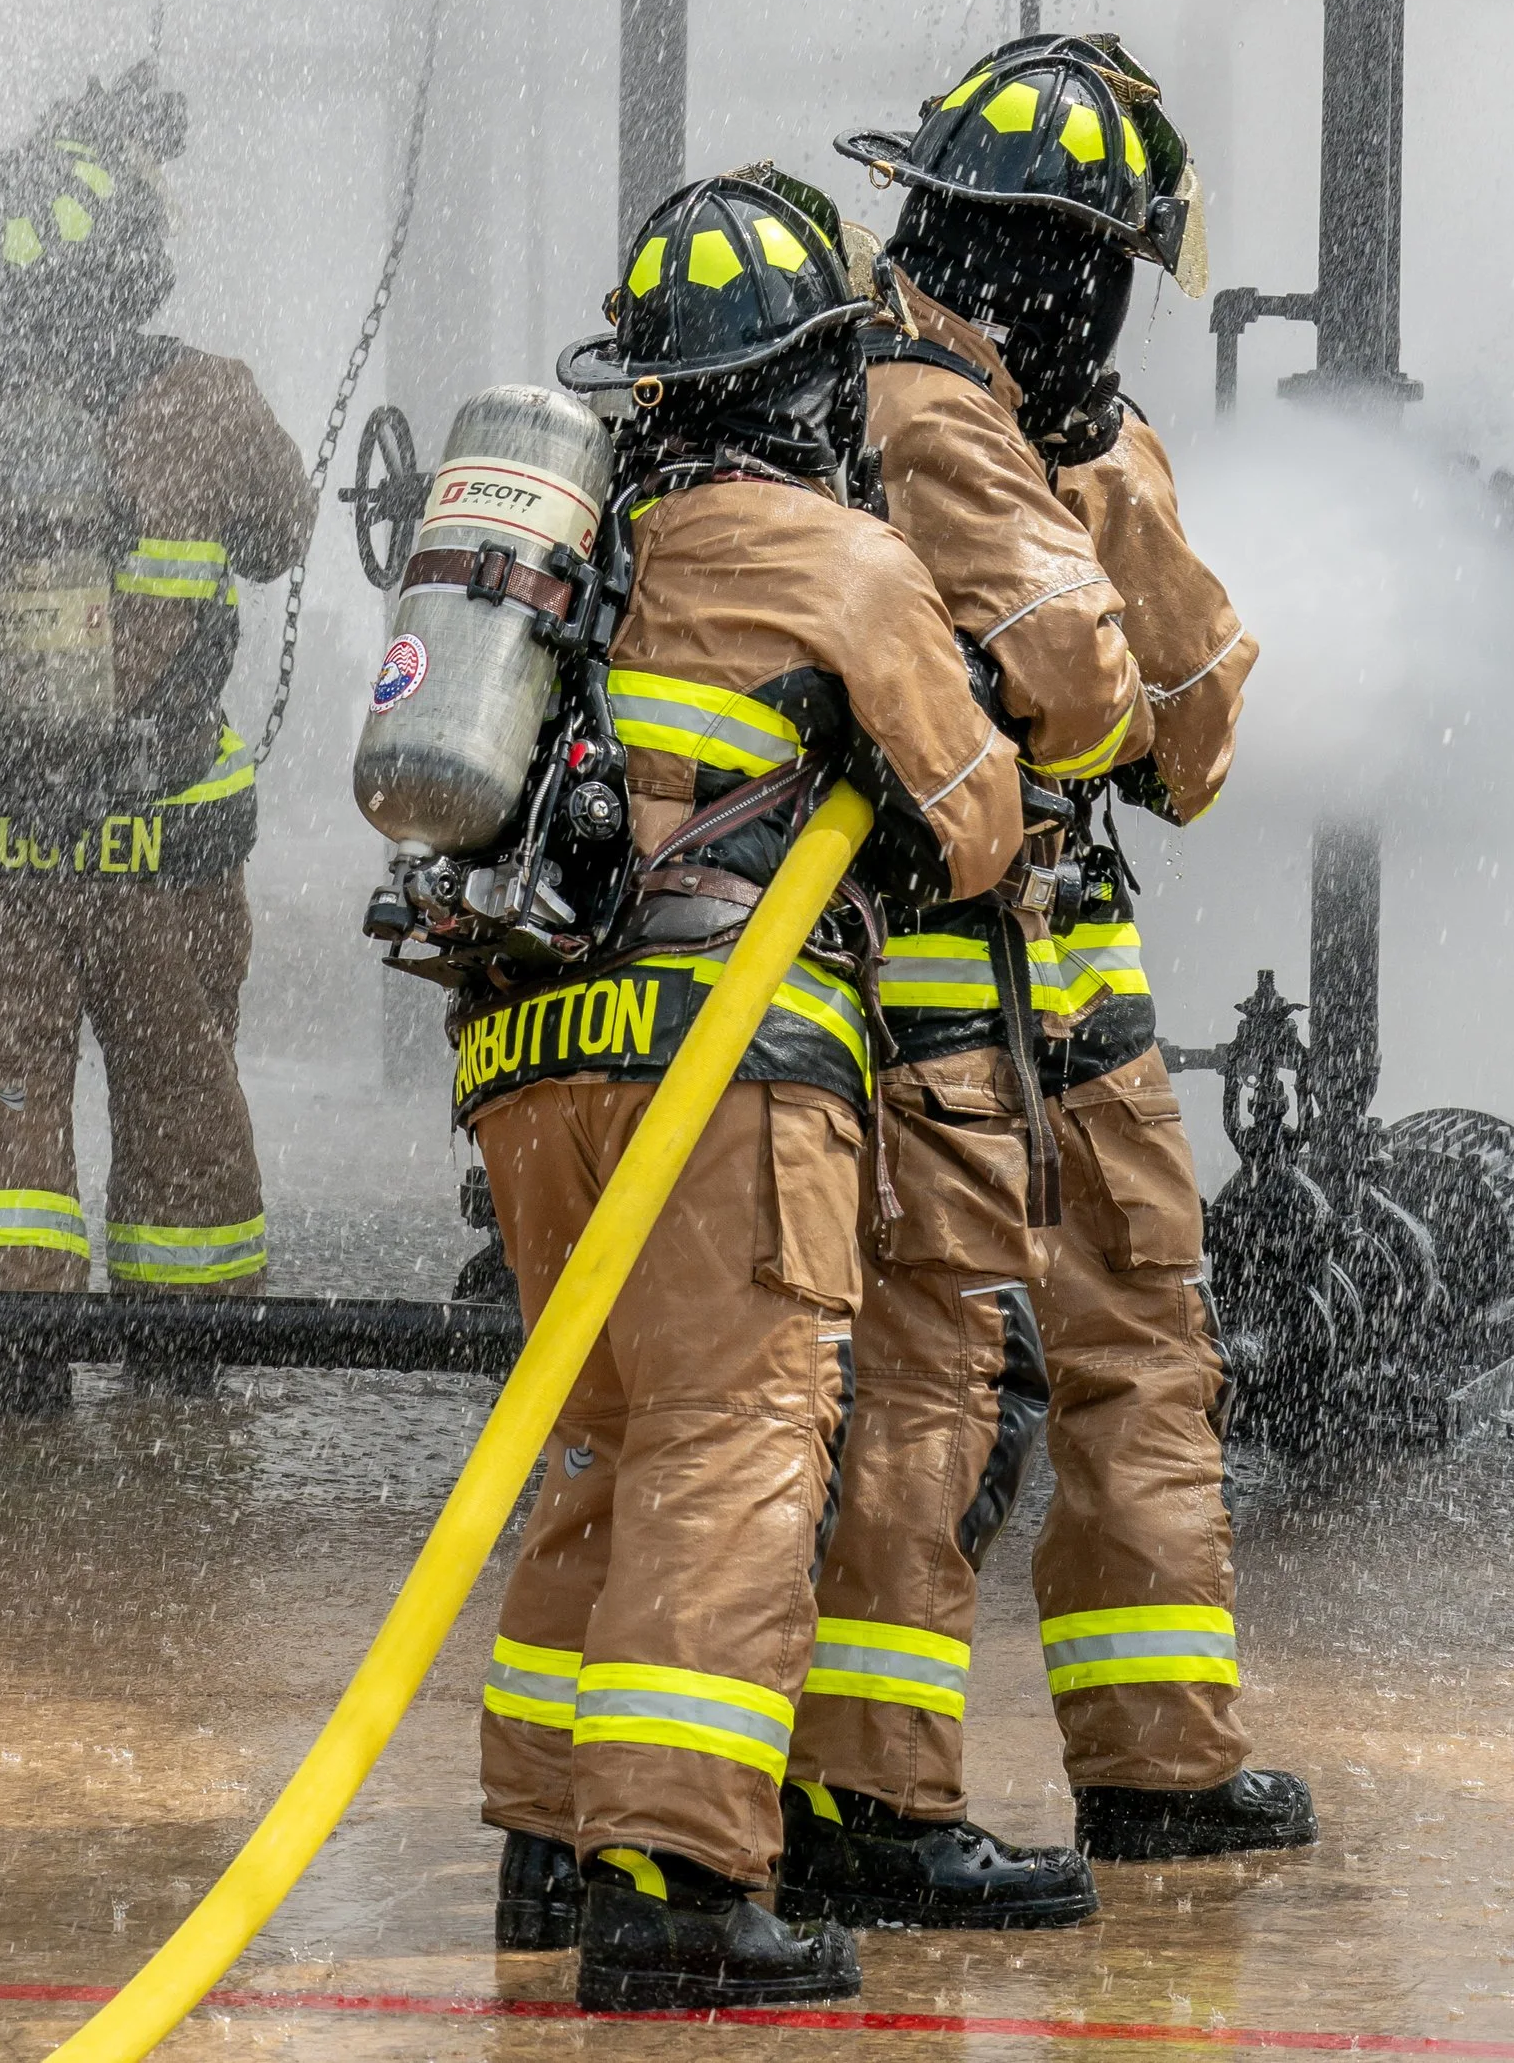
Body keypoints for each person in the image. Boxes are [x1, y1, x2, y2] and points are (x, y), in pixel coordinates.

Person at [452, 168, 1021, 2016]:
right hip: (726, 1074)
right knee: (738, 1433)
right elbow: (978, 826)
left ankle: (550, 1837)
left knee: (613, 1429)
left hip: (527, 1063)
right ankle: (680, 1872)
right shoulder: (839, 557)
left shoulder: (577, 540)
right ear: (808, 377)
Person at [774, 35, 1312, 1936]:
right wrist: (1080, 530)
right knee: (941, 1380)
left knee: (1145, 1337)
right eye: (1071, 259)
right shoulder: (907, 397)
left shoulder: (1069, 421)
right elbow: (1078, 679)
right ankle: (871, 1787)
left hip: (1074, 975)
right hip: (931, 982)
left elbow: (1198, 729)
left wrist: (1099, 464)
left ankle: (1159, 1756)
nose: (1078, 301)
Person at [0, 62, 312, 1316]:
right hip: (163, 838)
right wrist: (121, 173)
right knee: (181, 1085)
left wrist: (48, 157)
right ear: (136, 266)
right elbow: (280, 537)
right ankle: (184, 1351)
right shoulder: (212, 399)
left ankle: (8, 1342)